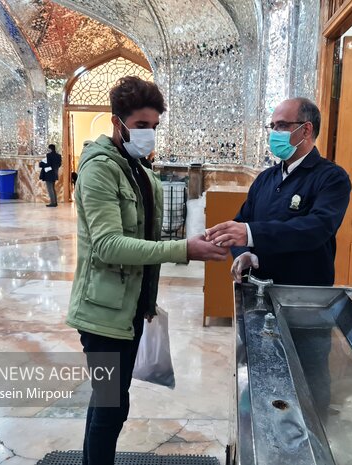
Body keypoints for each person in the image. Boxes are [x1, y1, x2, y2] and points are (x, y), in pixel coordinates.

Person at [66, 76, 228, 465]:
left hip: (130, 308)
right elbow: (107, 245)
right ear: (116, 122)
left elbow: (147, 233)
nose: (149, 134)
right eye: (141, 126)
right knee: (108, 408)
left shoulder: (139, 170)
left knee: (114, 404)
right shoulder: (100, 169)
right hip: (102, 313)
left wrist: (193, 238)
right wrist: (184, 249)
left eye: (154, 126)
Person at [205, 98, 352, 286]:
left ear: (306, 130)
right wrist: (243, 253)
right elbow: (242, 221)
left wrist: (252, 234)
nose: (274, 133)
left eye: (282, 125)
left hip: (304, 293)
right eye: (272, 126)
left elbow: (317, 228)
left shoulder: (332, 177)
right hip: (259, 287)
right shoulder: (266, 177)